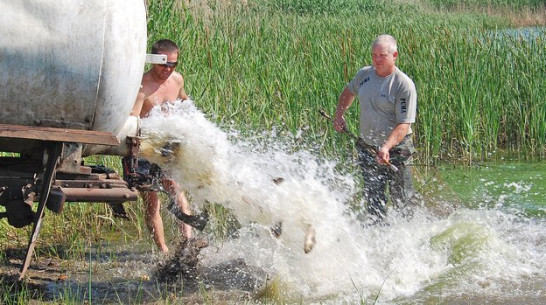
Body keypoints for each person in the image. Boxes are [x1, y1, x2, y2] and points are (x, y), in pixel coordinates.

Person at [333, 34, 417, 221]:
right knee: (373, 201)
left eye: (382, 55)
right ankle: (375, 238)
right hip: (368, 148)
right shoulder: (364, 75)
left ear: (394, 55)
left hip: (396, 151)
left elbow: (404, 124)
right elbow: (348, 92)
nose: (377, 60)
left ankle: (409, 240)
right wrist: (339, 115)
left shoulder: (403, 85)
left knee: (402, 202)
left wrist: (386, 147)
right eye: (374, 55)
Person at [129, 39, 193, 252]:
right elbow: (133, 119)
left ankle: (188, 244)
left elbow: (185, 102)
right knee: (152, 201)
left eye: (172, 64)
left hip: (167, 147)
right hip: (144, 149)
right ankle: (164, 251)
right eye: (163, 64)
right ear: (153, 61)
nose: (167, 69)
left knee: (176, 190)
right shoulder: (142, 86)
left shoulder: (177, 80)